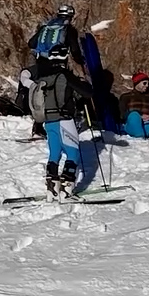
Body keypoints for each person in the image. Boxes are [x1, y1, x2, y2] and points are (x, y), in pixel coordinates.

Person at [28, 43, 97, 194]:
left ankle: (51, 185)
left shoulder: (43, 76)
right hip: (65, 119)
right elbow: (87, 93)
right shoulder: (65, 75)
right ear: (64, 57)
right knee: (73, 153)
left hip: (49, 121)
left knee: (54, 154)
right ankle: (67, 186)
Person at [29, 4, 85, 71]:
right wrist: (81, 61)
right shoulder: (68, 29)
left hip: (40, 63)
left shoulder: (45, 27)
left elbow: (31, 43)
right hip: (58, 65)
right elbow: (74, 50)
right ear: (70, 17)